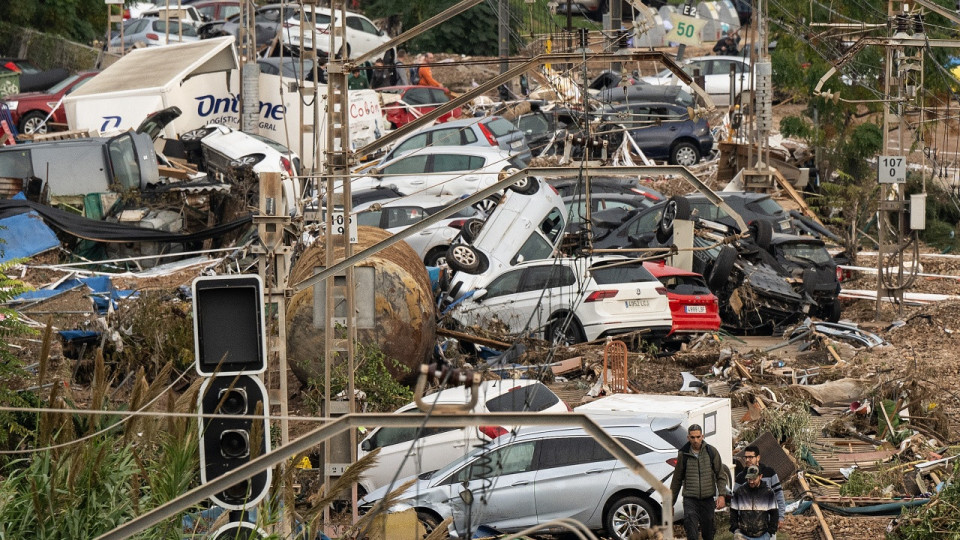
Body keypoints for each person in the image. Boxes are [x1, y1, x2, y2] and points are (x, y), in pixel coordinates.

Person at [670, 424, 730, 540]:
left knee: (708, 533)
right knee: (691, 531)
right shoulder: (683, 454)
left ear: (702, 436)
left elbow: (720, 475)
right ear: (688, 437)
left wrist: (722, 495)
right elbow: (676, 480)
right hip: (690, 500)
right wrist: (670, 503)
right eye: (692, 437)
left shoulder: (711, 452)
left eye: (698, 437)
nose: (695, 440)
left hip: (707, 500)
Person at [734, 445, 786, 529]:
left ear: (758, 457)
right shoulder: (740, 477)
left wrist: (780, 517)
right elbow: (735, 501)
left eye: (750, 457)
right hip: (747, 524)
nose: (747, 460)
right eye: (746, 457)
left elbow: (778, 495)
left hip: (768, 522)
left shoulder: (769, 473)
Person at [729, 466, 779, 540]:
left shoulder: (768, 493)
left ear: (760, 476)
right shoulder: (740, 492)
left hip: (763, 535)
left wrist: (770, 532)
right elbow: (733, 511)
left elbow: (774, 514)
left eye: (754, 479)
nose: (751, 481)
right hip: (742, 535)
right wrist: (735, 529)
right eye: (749, 479)